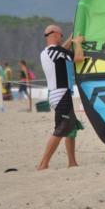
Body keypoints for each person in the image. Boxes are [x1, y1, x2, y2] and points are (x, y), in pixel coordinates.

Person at [37, 24, 86, 170]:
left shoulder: (46, 52)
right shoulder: (56, 51)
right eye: (61, 35)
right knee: (61, 128)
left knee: (71, 128)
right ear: (55, 34)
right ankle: (43, 164)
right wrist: (77, 43)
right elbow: (79, 58)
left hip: (57, 94)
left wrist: (71, 39)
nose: (62, 37)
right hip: (61, 95)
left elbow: (62, 50)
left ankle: (72, 162)